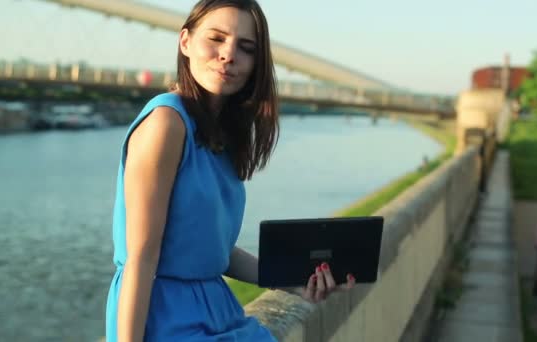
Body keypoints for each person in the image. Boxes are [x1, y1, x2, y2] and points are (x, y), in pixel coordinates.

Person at [104, 1, 355, 341]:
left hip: (218, 310)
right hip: (165, 316)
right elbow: (141, 258)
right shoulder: (166, 123)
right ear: (185, 42)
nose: (228, 55)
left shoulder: (218, 134)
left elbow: (215, 251)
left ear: (256, 64)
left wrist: (295, 283)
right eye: (216, 38)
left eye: (246, 48)